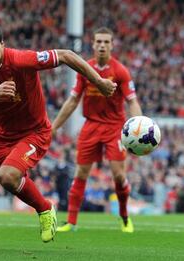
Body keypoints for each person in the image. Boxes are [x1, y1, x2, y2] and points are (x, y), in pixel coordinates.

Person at [0, 21, 116, 250]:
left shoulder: (21, 59)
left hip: (34, 132)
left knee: (7, 176)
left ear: (3, 44)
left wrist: (98, 81)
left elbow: (66, 55)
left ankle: (45, 209)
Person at [53, 27, 142, 233]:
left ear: (112, 45)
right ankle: (72, 222)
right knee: (81, 173)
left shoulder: (120, 71)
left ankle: (124, 217)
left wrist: (138, 123)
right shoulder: (86, 69)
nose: (102, 45)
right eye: (98, 42)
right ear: (92, 44)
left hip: (114, 128)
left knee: (119, 176)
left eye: (106, 42)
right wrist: (54, 127)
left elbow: (132, 101)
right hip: (91, 125)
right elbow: (73, 100)